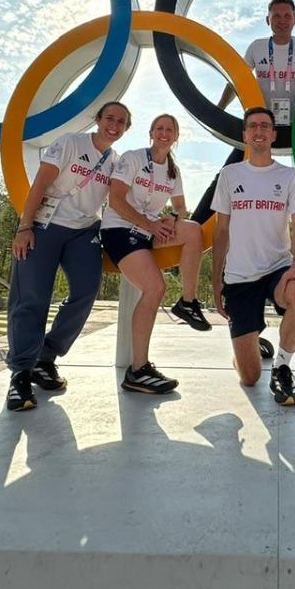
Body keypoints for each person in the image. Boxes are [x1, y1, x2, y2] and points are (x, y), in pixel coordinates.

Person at [5, 101, 131, 413]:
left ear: (127, 128)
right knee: (32, 298)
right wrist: (25, 227)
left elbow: (125, 200)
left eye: (122, 121)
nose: (114, 125)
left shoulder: (116, 162)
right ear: (98, 119)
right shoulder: (69, 143)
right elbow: (41, 184)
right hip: (45, 226)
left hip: (83, 231)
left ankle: (45, 357)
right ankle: (20, 373)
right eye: (110, 118)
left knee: (87, 291)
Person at [211, 107, 295, 405]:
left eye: (265, 126)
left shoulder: (290, 176)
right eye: (253, 126)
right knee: (249, 378)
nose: (259, 131)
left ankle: (282, 366)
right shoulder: (229, 175)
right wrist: (215, 280)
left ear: (273, 134)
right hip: (240, 276)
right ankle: (249, 344)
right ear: (245, 135)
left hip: (278, 268)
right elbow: (221, 233)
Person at [101, 114, 209, 394]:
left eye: (169, 129)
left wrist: (172, 219)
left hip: (148, 229)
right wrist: (150, 224)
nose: (164, 133)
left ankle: (188, 302)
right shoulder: (133, 158)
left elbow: (181, 206)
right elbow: (115, 199)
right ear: (151, 132)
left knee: (193, 230)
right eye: (159, 128)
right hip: (120, 229)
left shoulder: (173, 170)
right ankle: (138, 370)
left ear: (176, 137)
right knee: (155, 288)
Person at [217, 0, 295, 126]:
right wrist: (219, 109)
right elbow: (237, 80)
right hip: (263, 125)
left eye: (287, 16)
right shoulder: (257, 46)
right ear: (268, 20)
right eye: (276, 16)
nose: (282, 21)